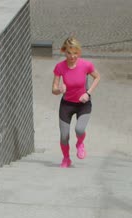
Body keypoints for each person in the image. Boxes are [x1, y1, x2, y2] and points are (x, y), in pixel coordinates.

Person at [52, 37, 100, 168]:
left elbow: (97, 77)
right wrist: (59, 89)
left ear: (79, 52)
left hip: (83, 104)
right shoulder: (60, 67)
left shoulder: (86, 65)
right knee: (64, 136)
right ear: (64, 51)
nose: (72, 56)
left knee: (79, 129)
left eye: (75, 53)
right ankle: (66, 159)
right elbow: (54, 89)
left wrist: (88, 93)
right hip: (67, 104)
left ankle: (80, 143)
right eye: (69, 53)